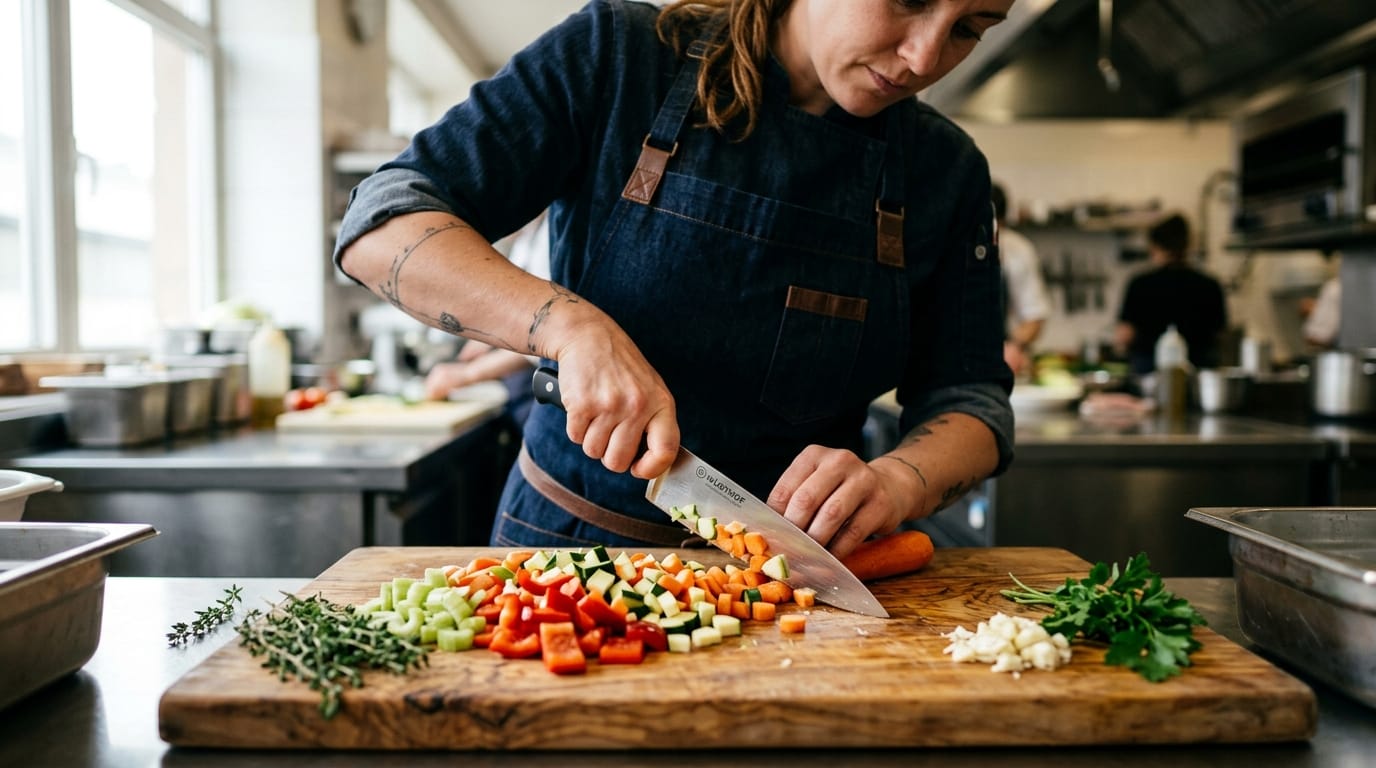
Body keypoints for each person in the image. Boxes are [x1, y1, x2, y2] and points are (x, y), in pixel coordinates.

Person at [335, 0, 1016, 559]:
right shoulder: (619, 57)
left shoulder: (946, 171)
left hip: (792, 577)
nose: (925, 58)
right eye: (910, 2)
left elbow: (971, 397)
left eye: (969, 29)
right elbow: (382, 225)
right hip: (562, 557)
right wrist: (570, 328)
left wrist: (900, 482)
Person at [423, 211, 552, 430]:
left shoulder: (549, 237)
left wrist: (466, 374)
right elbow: (521, 311)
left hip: (543, 387)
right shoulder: (525, 238)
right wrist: (487, 337)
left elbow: (544, 337)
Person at [1114, 213, 1228, 374]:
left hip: (1149, 372)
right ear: (1188, 245)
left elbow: (1125, 335)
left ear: (1154, 246)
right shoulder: (1210, 284)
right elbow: (1221, 335)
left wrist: (1120, 348)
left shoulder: (1140, 283)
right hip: (1200, 374)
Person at [990, 182, 1050, 378]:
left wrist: (1014, 346)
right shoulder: (945, 248)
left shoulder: (1019, 250)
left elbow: (1035, 315)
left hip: (1003, 363)